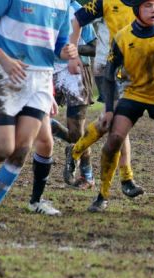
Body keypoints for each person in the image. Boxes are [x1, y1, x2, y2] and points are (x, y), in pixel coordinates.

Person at [0, 0, 77, 228]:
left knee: (21, 150)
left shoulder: (62, 4)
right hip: (7, 76)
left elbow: (59, 46)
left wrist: (66, 50)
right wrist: (3, 58)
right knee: (1, 150)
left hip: (41, 81)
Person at [87, 0, 154, 212]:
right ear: (137, 9)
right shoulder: (122, 36)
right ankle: (102, 195)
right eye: (148, 5)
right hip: (133, 94)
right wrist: (109, 109)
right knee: (114, 140)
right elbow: (109, 75)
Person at [67, 0, 144, 198]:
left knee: (114, 123)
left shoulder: (148, 4)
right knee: (120, 120)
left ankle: (75, 150)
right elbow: (77, 19)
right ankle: (127, 179)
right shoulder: (105, 2)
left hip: (133, 71)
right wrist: (73, 53)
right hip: (107, 69)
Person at [53, 0, 97, 189]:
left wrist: (71, 49)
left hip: (75, 73)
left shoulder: (78, 11)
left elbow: (95, 47)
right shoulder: (41, 6)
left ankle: (87, 176)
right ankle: (66, 140)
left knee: (76, 130)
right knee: (33, 120)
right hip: (45, 69)